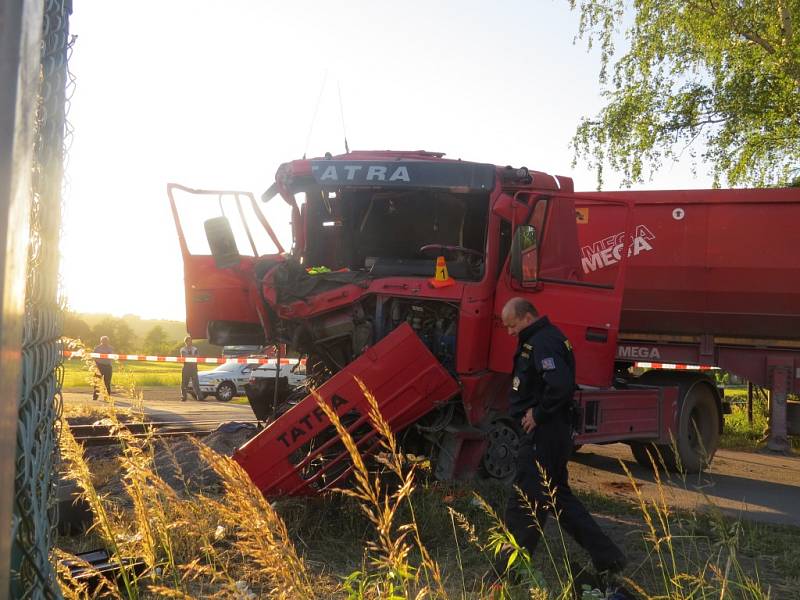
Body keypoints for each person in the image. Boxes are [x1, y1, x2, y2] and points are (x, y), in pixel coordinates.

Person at [492, 297, 626, 584]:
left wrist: (538, 415)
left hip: (544, 433)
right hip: (551, 433)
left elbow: (560, 385)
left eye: (512, 326)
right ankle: (608, 556)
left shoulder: (543, 342)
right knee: (557, 499)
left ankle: (508, 571)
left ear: (527, 317)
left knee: (525, 500)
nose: (509, 332)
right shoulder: (543, 338)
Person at [92, 336, 114, 401]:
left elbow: (112, 356)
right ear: (101, 341)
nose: (104, 342)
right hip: (99, 366)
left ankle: (107, 397)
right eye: (103, 341)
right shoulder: (97, 348)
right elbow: (94, 357)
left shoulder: (110, 348)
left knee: (107, 383)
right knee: (97, 382)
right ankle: (95, 397)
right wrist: (95, 366)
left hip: (108, 367)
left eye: (106, 341)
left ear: (108, 341)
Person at [180, 336, 201, 401]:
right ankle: (184, 396)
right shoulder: (182, 349)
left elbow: (197, 356)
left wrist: (189, 357)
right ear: (185, 342)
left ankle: (199, 397)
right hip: (186, 367)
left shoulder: (195, 348)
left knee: (196, 383)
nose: (190, 342)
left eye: (191, 340)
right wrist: (192, 356)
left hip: (194, 367)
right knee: (184, 383)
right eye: (188, 340)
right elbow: (184, 357)